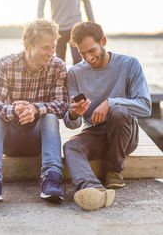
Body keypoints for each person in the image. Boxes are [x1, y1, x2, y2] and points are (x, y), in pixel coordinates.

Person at [63, 21, 151, 211]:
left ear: (103, 41)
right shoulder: (74, 73)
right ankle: (92, 188)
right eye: (82, 53)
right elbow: (73, 125)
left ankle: (114, 170)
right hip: (95, 133)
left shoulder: (129, 65)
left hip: (124, 133)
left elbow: (145, 107)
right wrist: (72, 114)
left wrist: (111, 102)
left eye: (92, 50)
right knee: (70, 146)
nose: (88, 57)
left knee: (118, 112)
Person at [0, 19, 68, 203]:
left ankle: (52, 179)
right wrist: (14, 110)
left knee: (50, 117)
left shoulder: (57, 66)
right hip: (10, 142)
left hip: (39, 140)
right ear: (27, 45)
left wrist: (35, 108)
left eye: (53, 47)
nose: (51, 53)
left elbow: (61, 105)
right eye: (46, 48)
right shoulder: (5, 65)